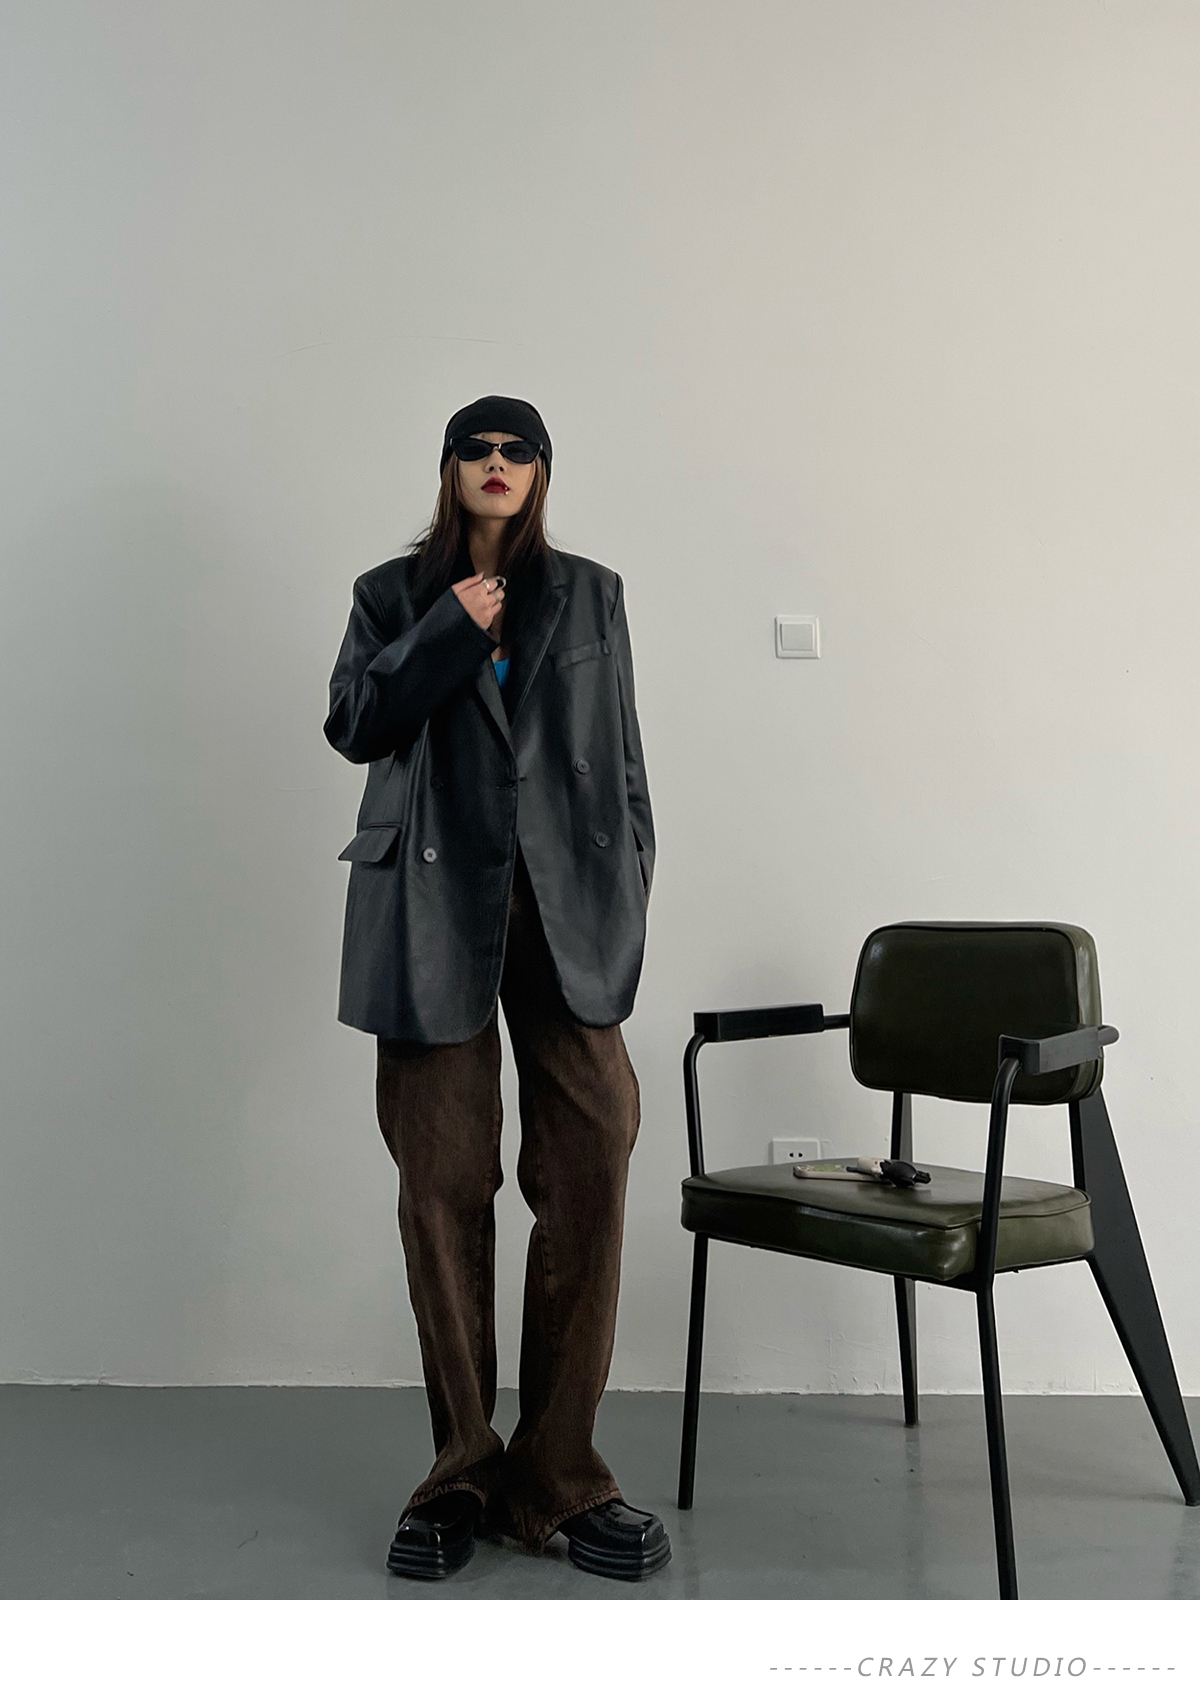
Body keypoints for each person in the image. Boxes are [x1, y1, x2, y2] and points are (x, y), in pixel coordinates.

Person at [323, 396, 669, 1582]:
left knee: (592, 1163)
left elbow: (622, 757)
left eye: (519, 450)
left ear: (542, 473)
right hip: (431, 907)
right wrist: (444, 633)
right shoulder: (391, 593)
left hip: (566, 909)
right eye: (476, 448)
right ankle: (461, 1473)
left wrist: (628, 883)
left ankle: (561, 1476)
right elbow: (354, 723)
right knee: (443, 1184)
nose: (497, 464)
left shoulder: (594, 594)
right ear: (449, 468)